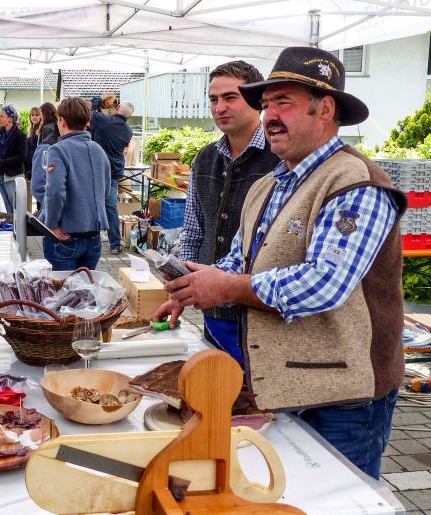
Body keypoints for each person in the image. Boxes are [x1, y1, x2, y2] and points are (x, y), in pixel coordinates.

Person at [155, 47, 407, 480]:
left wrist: (227, 288)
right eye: (266, 104)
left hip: (346, 399)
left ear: (325, 109)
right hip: (283, 385)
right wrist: (194, 284)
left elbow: (324, 284)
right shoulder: (270, 184)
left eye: (283, 102)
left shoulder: (356, 183)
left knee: (339, 504)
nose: (269, 115)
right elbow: (240, 260)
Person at [178, 61, 278, 365]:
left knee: (260, 398)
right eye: (213, 99)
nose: (220, 106)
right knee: (222, 396)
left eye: (230, 97)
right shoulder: (206, 158)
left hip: (263, 312)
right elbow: (194, 229)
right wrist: (183, 282)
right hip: (213, 309)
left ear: (257, 100)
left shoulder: (280, 158)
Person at [40, 97, 111, 271]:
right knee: (86, 293)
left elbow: (55, 191)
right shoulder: (99, 150)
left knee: (65, 295)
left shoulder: (57, 150)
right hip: (94, 237)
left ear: (62, 121)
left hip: (65, 236)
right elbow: (106, 192)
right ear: (87, 122)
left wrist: (52, 224)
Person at [89, 98, 134, 254]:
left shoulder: (105, 121)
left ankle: (91, 242)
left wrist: (99, 100)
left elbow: (91, 112)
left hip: (97, 169)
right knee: (111, 208)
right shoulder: (128, 131)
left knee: (93, 205)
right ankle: (115, 244)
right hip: (114, 171)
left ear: (118, 108)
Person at [0, 104, 26, 214]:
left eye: (2, 116)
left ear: (10, 119)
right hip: (0, 177)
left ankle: (17, 231)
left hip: (12, 177)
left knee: (16, 211)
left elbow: (21, 157)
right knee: (6, 211)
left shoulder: (20, 135)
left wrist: (1, 162)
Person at [24, 106, 42, 175]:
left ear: (41, 117)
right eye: (33, 115)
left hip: (36, 165)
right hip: (30, 166)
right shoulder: (31, 129)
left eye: (37, 115)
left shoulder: (40, 130)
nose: (34, 117)